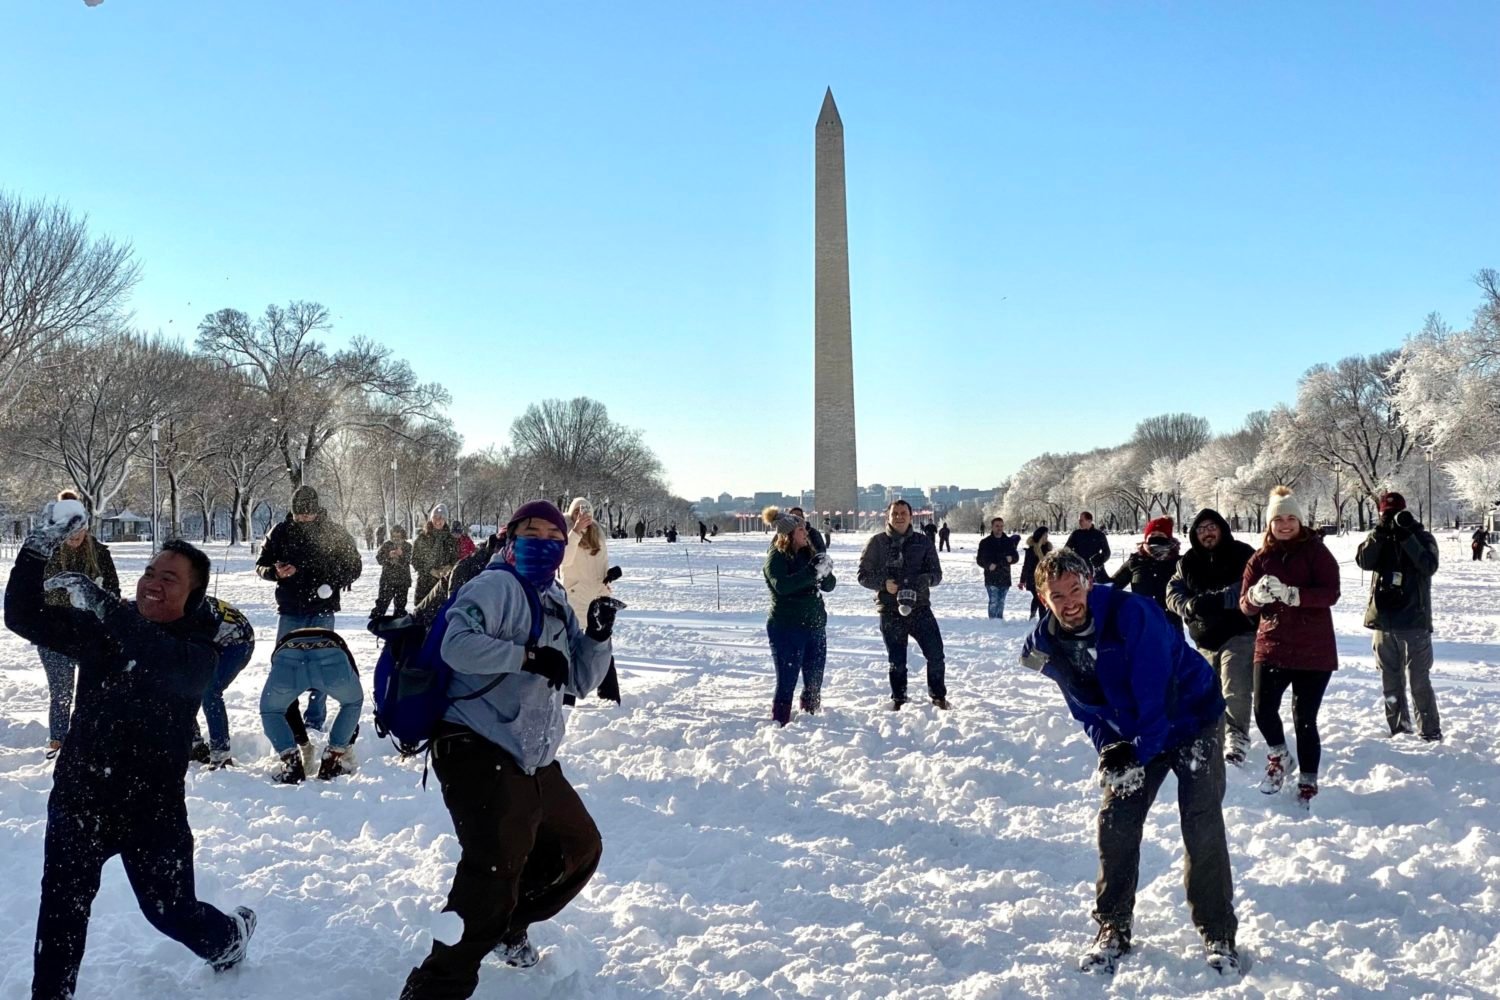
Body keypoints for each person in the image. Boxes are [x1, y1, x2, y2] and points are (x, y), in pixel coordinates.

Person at [6, 510, 256, 998]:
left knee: (171, 912)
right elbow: (22, 615)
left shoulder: (198, 652)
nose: (152, 583)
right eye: (148, 573)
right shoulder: (107, 630)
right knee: (60, 913)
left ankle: (228, 938)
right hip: (81, 796)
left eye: (169, 578)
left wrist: (106, 607)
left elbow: (161, 662)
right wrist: (36, 550)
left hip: (151, 809)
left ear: (194, 595)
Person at [399, 501, 616, 1000]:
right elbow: (457, 645)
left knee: (576, 846)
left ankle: (507, 926)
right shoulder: (493, 586)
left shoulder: (556, 600)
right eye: (530, 531)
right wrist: (525, 656)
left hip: (532, 752)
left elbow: (580, 681)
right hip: (475, 743)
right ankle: (436, 986)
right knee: (492, 871)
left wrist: (598, 636)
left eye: (551, 534)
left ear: (563, 547)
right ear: (510, 537)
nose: (541, 541)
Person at [1020, 547, 1238, 976]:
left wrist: (1137, 752)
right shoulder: (1047, 643)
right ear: (1044, 599)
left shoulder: (1132, 614)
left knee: (1200, 819)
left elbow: (1157, 698)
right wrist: (1110, 749)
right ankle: (1113, 925)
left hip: (1191, 718)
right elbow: (1084, 708)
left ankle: (1217, 930)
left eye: (1075, 589)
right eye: (1057, 595)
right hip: (1132, 731)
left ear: (1089, 583)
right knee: (1116, 820)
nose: (1069, 602)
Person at [1241, 485, 1341, 809]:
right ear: (1269, 524)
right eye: (1278, 520)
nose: (1284, 525)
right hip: (1273, 645)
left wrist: (1296, 595)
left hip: (1314, 649)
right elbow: (1244, 604)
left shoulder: (1316, 552)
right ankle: (1280, 756)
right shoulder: (1259, 559)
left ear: (1299, 521)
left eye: (1290, 519)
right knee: (1263, 709)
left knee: (1305, 717)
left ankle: (1309, 778)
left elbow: (1331, 592)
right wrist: (1256, 597)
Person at [254, 484, 362, 747]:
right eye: (299, 513)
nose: (303, 517)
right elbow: (261, 565)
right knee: (286, 667)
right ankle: (290, 721)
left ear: (316, 510)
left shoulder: (334, 532)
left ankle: (315, 719)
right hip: (290, 610)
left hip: (322, 610)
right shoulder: (280, 532)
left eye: (308, 512)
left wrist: (334, 580)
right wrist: (275, 573)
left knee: (323, 665)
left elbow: (355, 565)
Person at [1165, 509, 1258, 766]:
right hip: (1204, 639)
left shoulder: (1242, 553)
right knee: (1206, 689)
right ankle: (1210, 732)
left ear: (1222, 528)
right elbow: (1172, 592)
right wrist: (1190, 606)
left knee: (1235, 684)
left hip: (1239, 631)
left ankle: (1236, 738)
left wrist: (1222, 599)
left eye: (1211, 526)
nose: (1207, 532)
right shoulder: (1188, 562)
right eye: (1201, 529)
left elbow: (1252, 584)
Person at [35, 489, 119, 759]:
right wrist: (73, 594)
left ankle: (90, 741)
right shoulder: (46, 553)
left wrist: (99, 598)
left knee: (93, 690)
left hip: (91, 633)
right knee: (61, 691)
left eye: (79, 529)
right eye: (69, 530)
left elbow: (113, 590)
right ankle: (58, 743)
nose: (75, 536)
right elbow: (40, 593)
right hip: (55, 633)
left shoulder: (99, 553)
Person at [1355, 492, 1442, 741]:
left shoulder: (1422, 537)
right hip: (1383, 620)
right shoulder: (1379, 537)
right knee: (1390, 680)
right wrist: (1380, 533)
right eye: (1386, 514)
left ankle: (1430, 730)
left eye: (1396, 513)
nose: (1392, 518)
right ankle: (1399, 728)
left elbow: (1429, 566)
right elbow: (1363, 560)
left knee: (1419, 680)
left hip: (1414, 620)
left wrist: (1407, 537)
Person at [857, 499, 948, 710]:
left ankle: (938, 696)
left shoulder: (923, 542)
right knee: (897, 660)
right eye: (895, 513)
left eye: (903, 513)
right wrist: (883, 584)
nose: (899, 517)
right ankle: (899, 698)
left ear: (910, 516)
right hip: (890, 609)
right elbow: (862, 576)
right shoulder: (876, 543)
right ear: (888, 517)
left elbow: (937, 574)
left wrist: (924, 581)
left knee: (936, 654)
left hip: (920, 607)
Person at [762, 507, 836, 724]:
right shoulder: (775, 556)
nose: (807, 533)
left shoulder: (809, 553)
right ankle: (781, 721)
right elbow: (782, 586)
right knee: (787, 680)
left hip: (815, 625)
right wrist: (811, 573)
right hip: (787, 627)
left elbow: (829, 585)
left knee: (814, 680)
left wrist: (826, 573)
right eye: (802, 529)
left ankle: (810, 717)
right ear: (789, 534)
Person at [188, 597, 256, 769]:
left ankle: (221, 754)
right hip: (209, 640)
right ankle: (194, 745)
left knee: (209, 691)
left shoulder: (184, 610)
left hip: (238, 642)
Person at [1110, 517, 1183, 633]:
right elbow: (1112, 586)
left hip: (1171, 629)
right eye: (1153, 533)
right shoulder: (1135, 561)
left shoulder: (1179, 563)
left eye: (1161, 534)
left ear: (1168, 537)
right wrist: (1099, 570)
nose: (1156, 537)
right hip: (1141, 628)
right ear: (1146, 537)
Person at [413, 504, 460, 605]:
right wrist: (430, 570)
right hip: (424, 584)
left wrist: (449, 567)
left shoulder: (451, 539)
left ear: (445, 520)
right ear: (431, 518)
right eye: (435, 517)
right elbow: (415, 560)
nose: (438, 521)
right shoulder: (422, 538)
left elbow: (456, 559)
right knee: (421, 614)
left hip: (443, 583)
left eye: (441, 518)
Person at [976, 517, 1020, 619]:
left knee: (1001, 601)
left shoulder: (1008, 542)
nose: (999, 528)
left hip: (1005, 576)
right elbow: (979, 559)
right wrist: (988, 565)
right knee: (994, 600)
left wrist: (1011, 559)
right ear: (992, 527)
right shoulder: (985, 542)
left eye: (1001, 526)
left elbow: (1016, 557)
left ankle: (999, 620)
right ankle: (993, 621)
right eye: (997, 526)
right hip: (991, 577)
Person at [372, 525, 413, 618]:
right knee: (382, 604)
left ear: (403, 535)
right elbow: (379, 559)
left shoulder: (407, 546)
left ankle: (398, 624)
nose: (396, 539)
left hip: (403, 580)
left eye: (398, 536)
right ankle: (377, 622)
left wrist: (402, 555)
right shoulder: (386, 545)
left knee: (400, 606)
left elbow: (412, 559)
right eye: (394, 536)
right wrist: (388, 556)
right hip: (387, 580)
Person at [1066, 511, 1112, 584]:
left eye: (1081, 520)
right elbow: (1066, 550)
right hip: (1078, 570)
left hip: (1095, 571)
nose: (1079, 522)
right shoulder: (1076, 534)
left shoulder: (1099, 535)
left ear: (1089, 521)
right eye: (1079, 520)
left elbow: (1107, 552)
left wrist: (1100, 560)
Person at [1018, 526, 1053, 620]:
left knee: (1039, 597)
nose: (1047, 538)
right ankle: (1042, 618)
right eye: (1045, 535)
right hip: (1032, 578)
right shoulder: (1031, 551)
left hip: (1044, 579)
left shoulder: (1048, 550)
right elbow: (1026, 566)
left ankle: (1033, 616)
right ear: (1040, 536)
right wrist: (1022, 581)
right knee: (1039, 598)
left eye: (1047, 535)